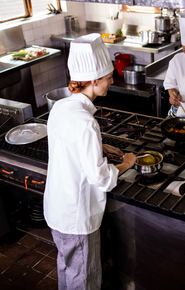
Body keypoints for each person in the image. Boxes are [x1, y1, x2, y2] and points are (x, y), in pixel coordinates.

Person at [43, 33, 137, 289]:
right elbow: (100, 178)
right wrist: (127, 163)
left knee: (68, 269)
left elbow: (66, 143)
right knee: (83, 280)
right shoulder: (86, 122)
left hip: (57, 208)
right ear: (94, 81)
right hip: (77, 215)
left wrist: (98, 146)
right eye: (108, 78)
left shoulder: (62, 107)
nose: (111, 81)